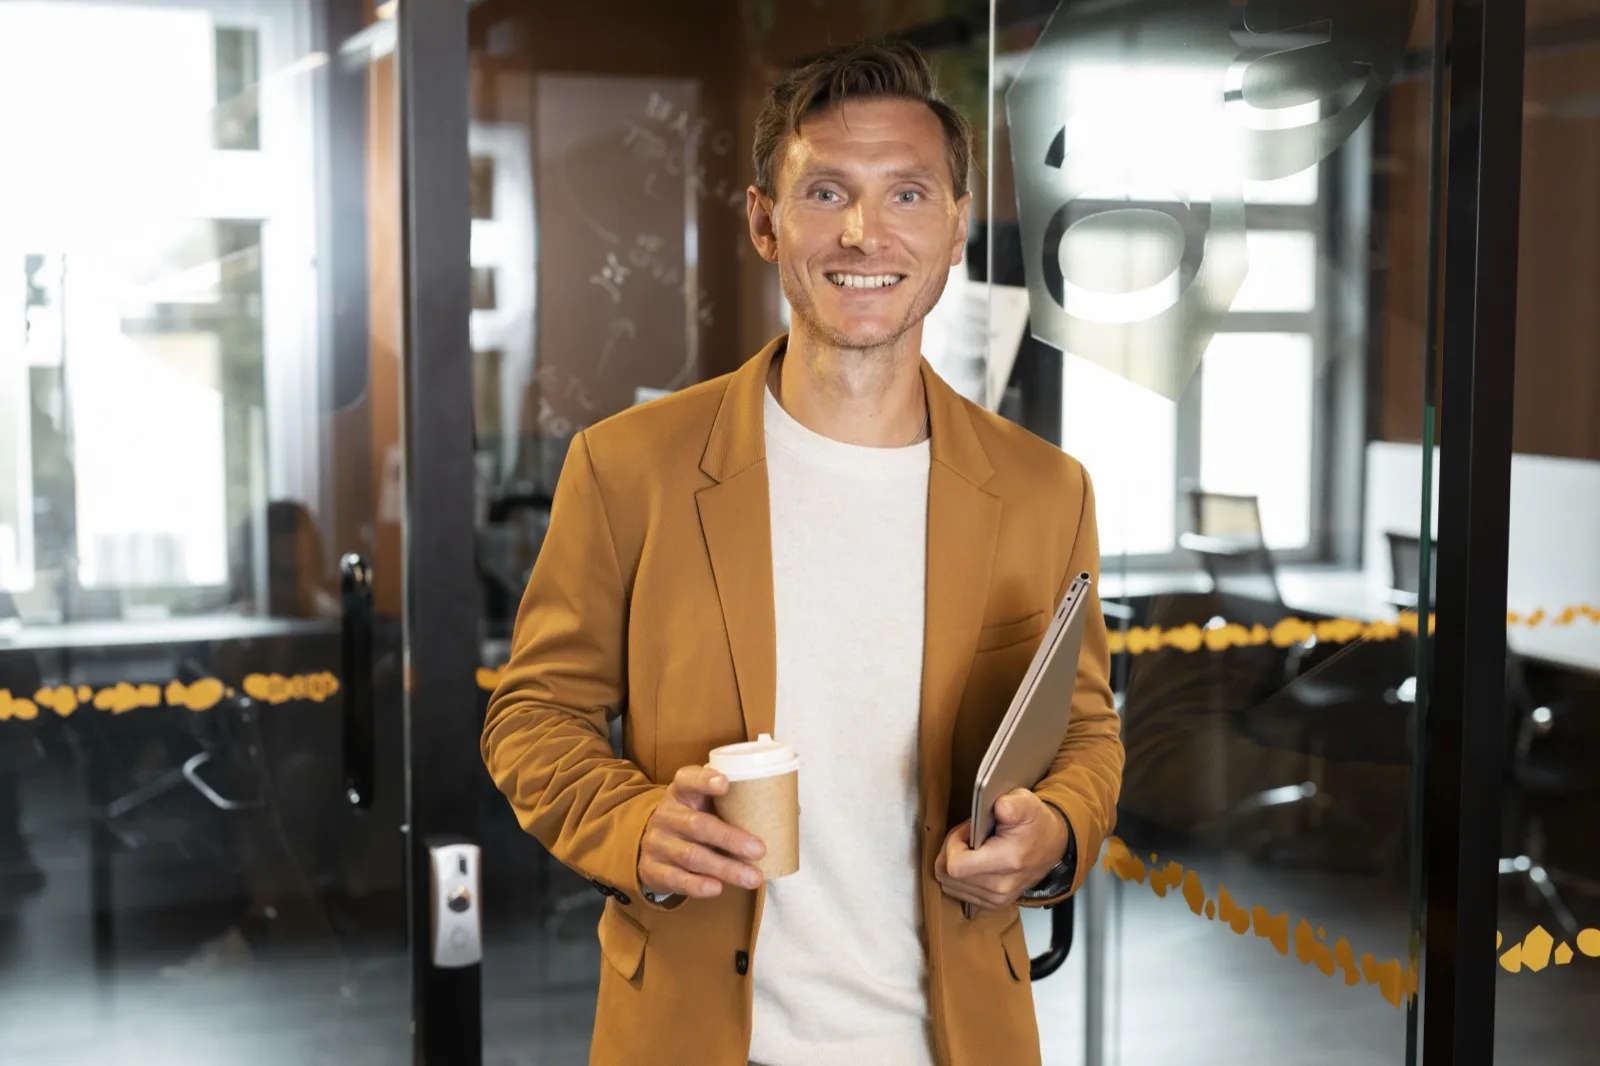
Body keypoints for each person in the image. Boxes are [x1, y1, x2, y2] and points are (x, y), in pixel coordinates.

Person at [482, 39, 1123, 1066]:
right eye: (826, 190)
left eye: (907, 193)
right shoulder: (628, 466)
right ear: (763, 222)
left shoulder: (1047, 489)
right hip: (693, 1036)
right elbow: (533, 714)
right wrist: (628, 822)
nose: (864, 230)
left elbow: (1084, 729)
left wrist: (1054, 831)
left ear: (956, 227)